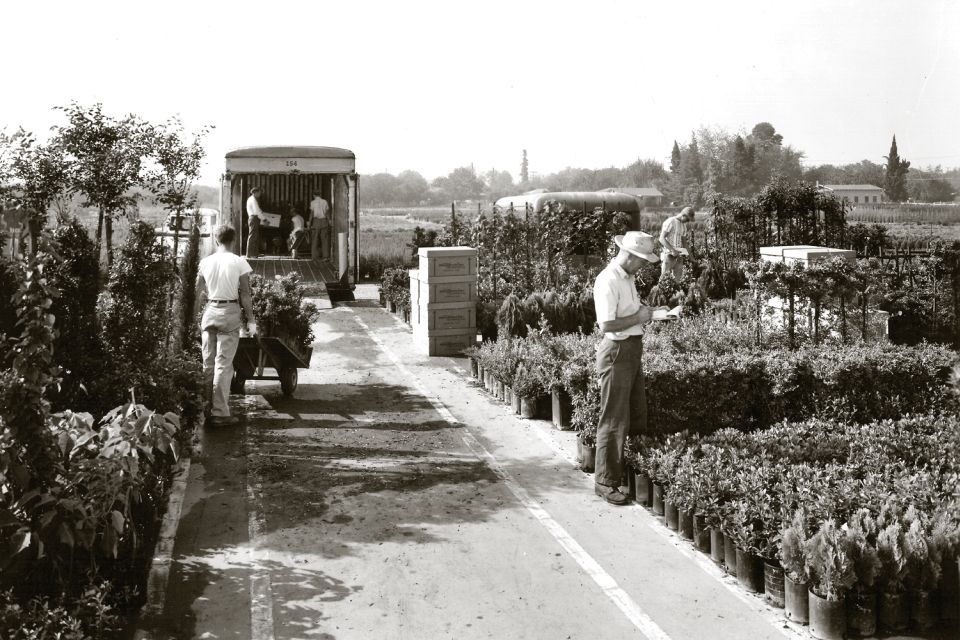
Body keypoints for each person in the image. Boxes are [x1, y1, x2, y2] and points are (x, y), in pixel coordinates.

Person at [592, 231, 662, 505]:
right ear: (630, 256)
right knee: (613, 418)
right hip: (617, 352)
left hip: (632, 349)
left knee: (636, 412)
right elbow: (607, 325)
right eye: (642, 261)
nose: (643, 266)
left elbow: (629, 315)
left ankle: (625, 470)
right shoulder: (607, 280)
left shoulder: (628, 278)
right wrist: (639, 316)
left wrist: (650, 314)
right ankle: (605, 482)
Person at [196, 225, 256, 426]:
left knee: (208, 364)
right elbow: (245, 294)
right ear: (234, 240)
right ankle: (220, 413)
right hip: (229, 311)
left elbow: (197, 293)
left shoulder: (205, 262)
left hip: (210, 311)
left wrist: (195, 317)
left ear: (215, 240)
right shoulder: (239, 262)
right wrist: (251, 320)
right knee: (223, 364)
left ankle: (206, 409)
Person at [659, 206, 693, 279]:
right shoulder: (670, 221)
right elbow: (661, 238)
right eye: (687, 219)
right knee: (664, 280)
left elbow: (684, 243)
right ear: (683, 215)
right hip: (668, 255)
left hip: (679, 256)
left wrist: (691, 257)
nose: (688, 221)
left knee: (677, 281)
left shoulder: (684, 226)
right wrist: (672, 250)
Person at [310, 192, 330, 260]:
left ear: (314, 195)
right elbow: (327, 213)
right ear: (320, 194)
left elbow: (311, 214)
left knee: (315, 239)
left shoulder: (312, 202)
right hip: (324, 221)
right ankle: (326, 256)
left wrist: (310, 223)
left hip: (316, 221)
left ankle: (314, 256)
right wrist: (329, 221)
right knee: (324, 239)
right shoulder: (325, 202)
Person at [246, 187, 265, 258]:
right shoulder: (253, 200)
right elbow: (257, 211)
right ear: (255, 192)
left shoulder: (253, 199)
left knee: (255, 236)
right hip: (253, 218)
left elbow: (258, 210)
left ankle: (255, 253)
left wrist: (262, 215)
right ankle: (249, 254)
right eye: (259, 192)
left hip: (254, 218)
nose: (260, 194)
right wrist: (264, 219)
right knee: (252, 236)